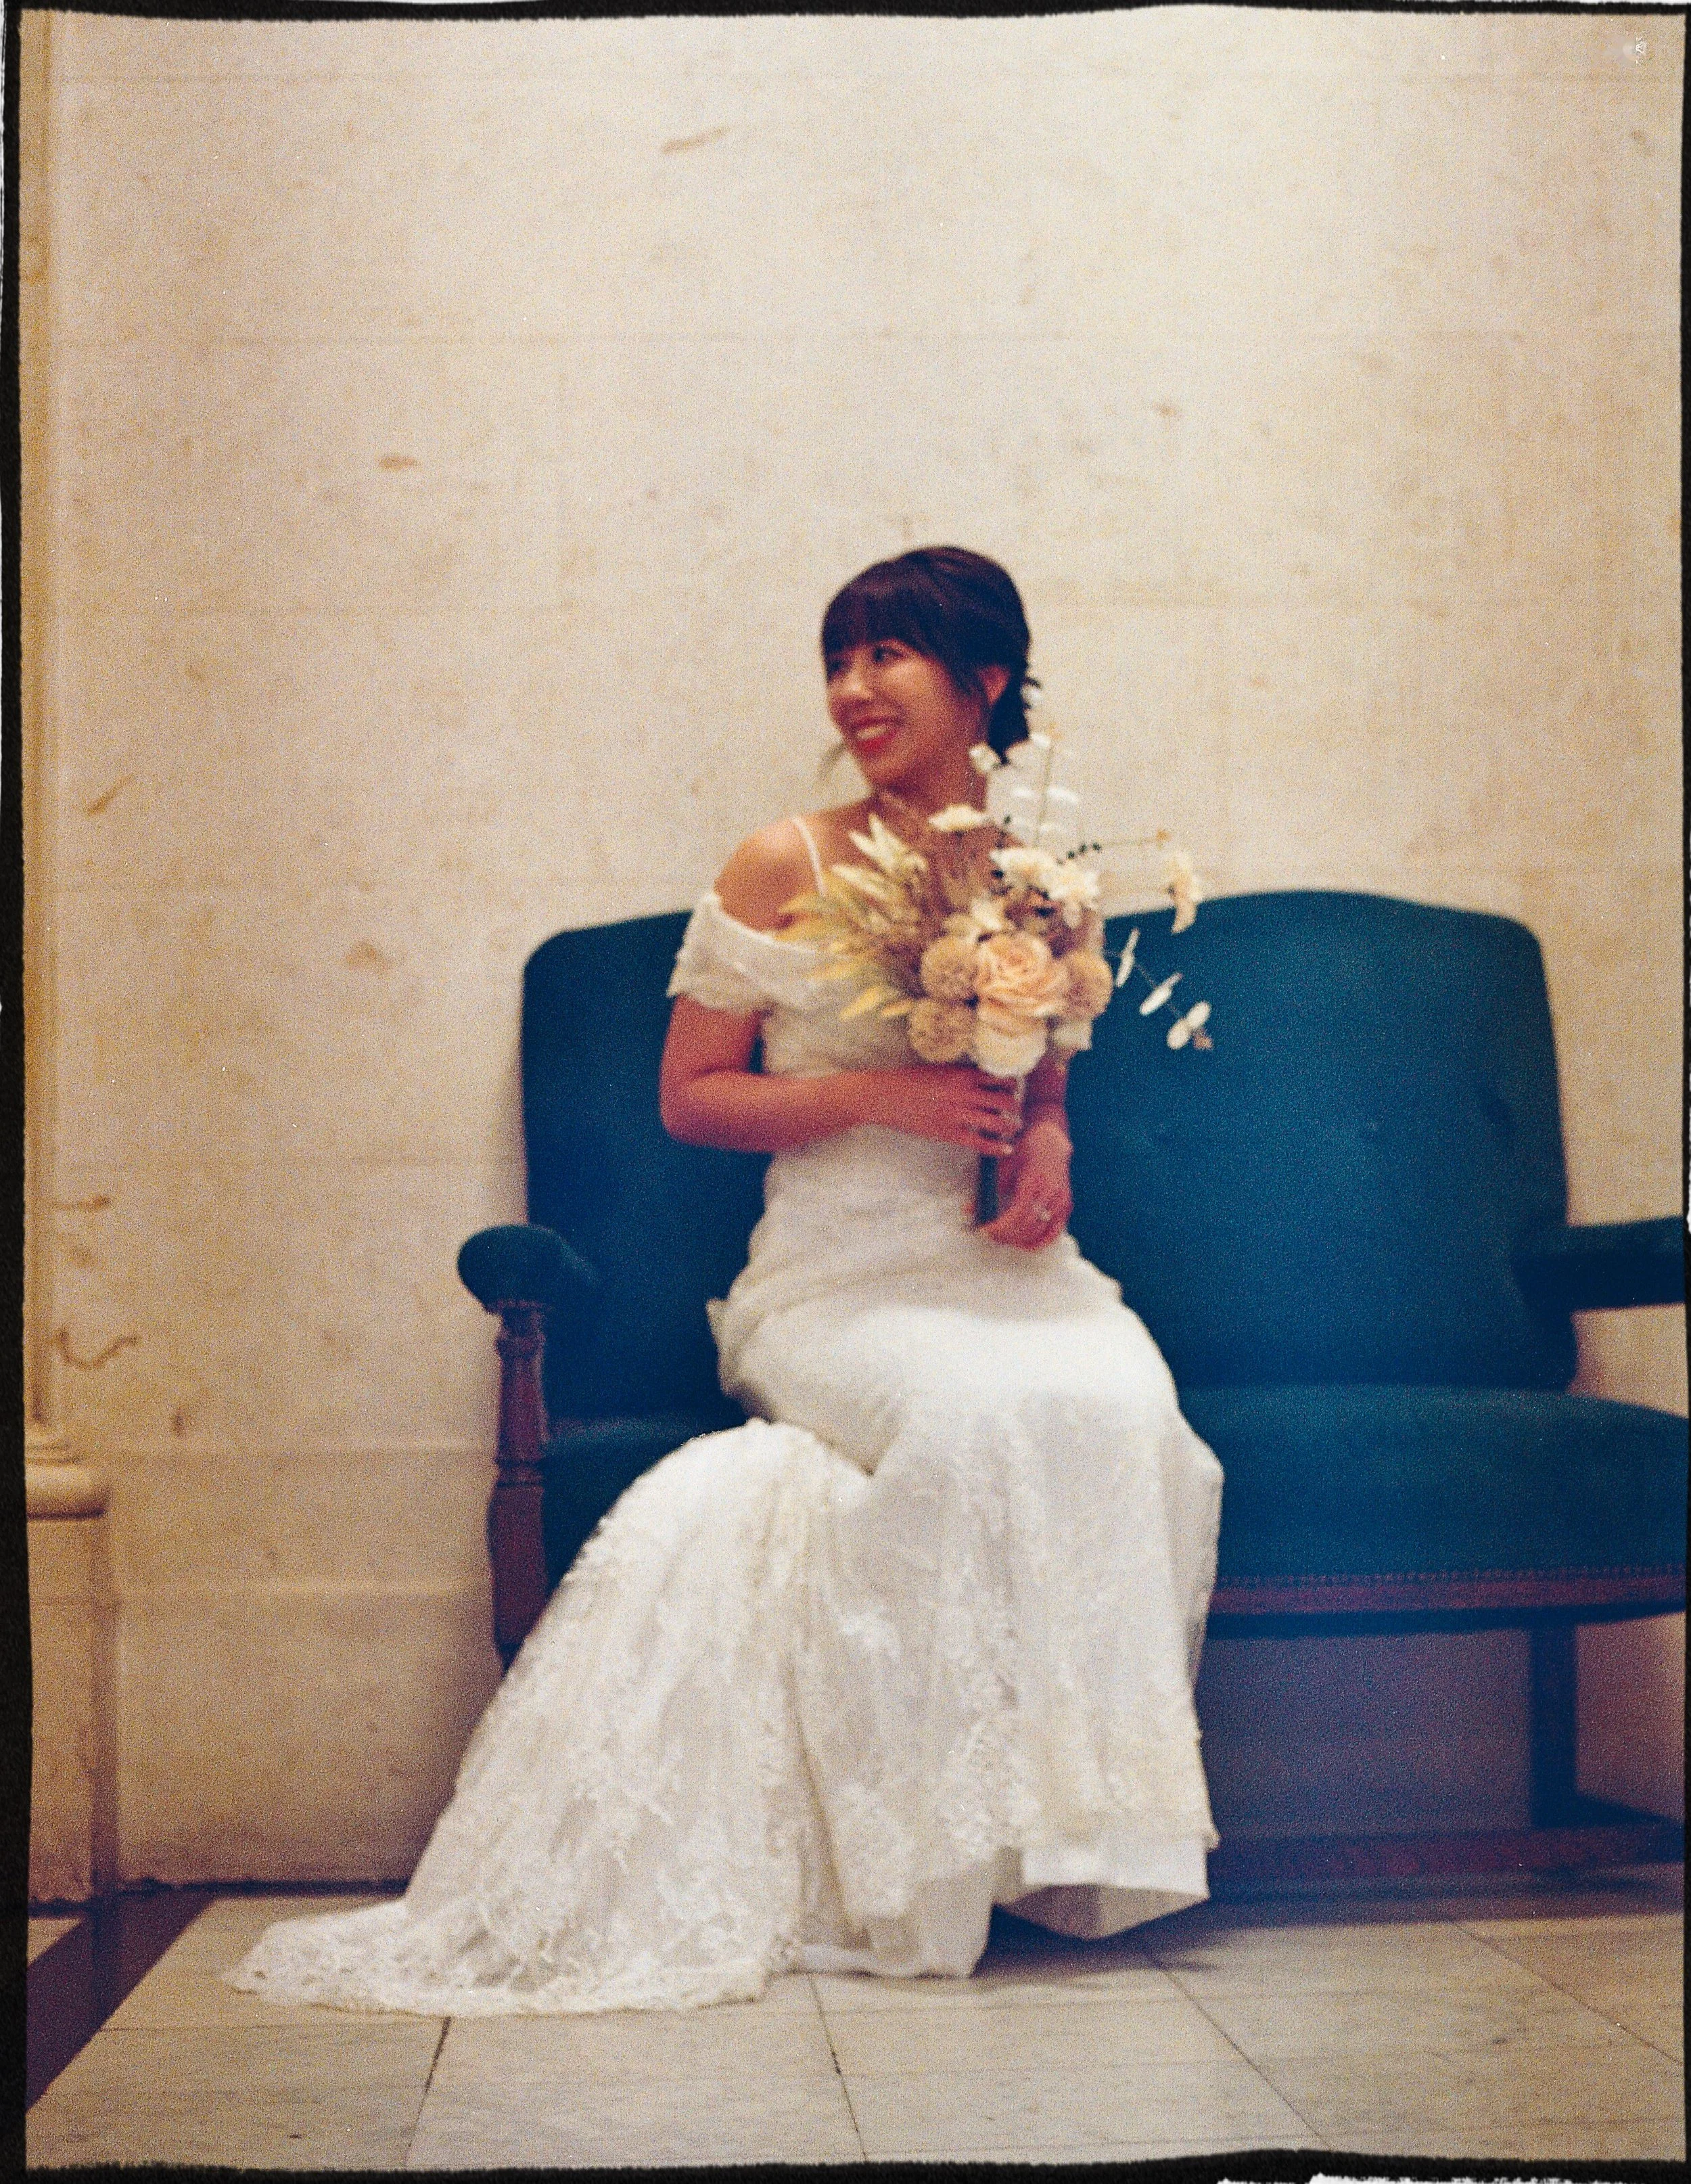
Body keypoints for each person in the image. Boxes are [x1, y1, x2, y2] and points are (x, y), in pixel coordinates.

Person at [227, 547, 1222, 2018]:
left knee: (1129, 1416)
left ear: (984, 682)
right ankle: (919, 1861)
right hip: (834, 1286)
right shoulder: (785, 862)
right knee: (967, 1429)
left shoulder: (1042, 875)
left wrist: (1048, 1143)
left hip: (1008, 1270)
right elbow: (690, 1097)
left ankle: (1066, 1847)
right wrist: (881, 1101)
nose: (851, 689)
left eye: (887, 656)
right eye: (839, 659)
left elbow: (1048, 1074)